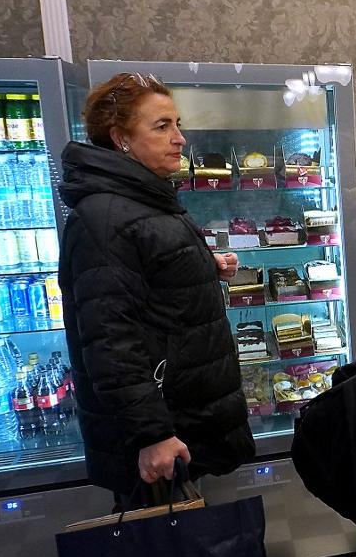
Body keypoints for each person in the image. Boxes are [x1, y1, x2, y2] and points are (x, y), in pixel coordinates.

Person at [59, 73, 252, 501]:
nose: (180, 138)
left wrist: (202, 267)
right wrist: (153, 434)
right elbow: (110, 340)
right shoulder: (106, 217)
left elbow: (148, 280)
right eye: (162, 126)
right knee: (165, 538)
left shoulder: (144, 198)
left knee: (190, 533)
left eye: (177, 124)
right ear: (121, 139)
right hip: (160, 431)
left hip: (182, 415)